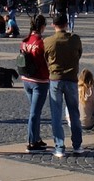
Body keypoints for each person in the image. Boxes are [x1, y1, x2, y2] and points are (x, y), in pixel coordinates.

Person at [43, 11, 84, 158]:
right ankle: (78, 145)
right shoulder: (75, 39)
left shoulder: (48, 41)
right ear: (66, 24)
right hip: (72, 79)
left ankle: (59, 147)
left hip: (55, 79)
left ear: (53, 25)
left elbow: (45, 58)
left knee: (56, 114)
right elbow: (79, 54)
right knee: (74, 113)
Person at [17, 14, 51, 153]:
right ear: (42, 26)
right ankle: (31, 142)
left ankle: (36, 137)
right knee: (35, 112)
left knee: (35, 110)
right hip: (39, 81)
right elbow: (46, 60)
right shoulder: (40, 43)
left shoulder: (25, 41)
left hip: (26, 79)